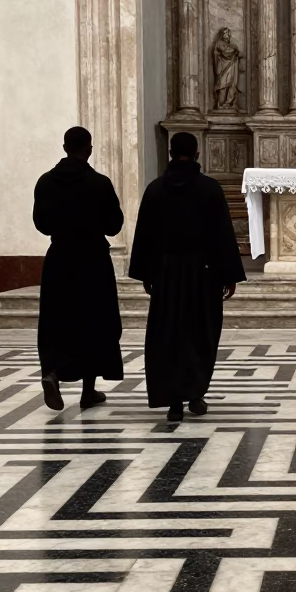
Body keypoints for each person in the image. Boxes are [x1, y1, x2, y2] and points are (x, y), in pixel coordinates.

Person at [128, 132, 246, 424]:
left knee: (168, 334)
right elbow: (222, 235)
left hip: (167, 273)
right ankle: (195, 393)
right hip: (203, 273)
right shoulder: (210, 189)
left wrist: (147, 272)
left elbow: (145, 235)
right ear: (197, 154)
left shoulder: (155, 190)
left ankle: (174, 401)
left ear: (170, 153)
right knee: (201, 333)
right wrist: (228, 274)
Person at [33, 126, 124, 411]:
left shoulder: (46, 182)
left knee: (57, 320)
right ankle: (88, 390)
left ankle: (53, 374)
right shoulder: (99, 183)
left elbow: (41, 223)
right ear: (89, 148)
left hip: (60, 258)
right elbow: (114, 225)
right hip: (92, 260)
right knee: (93, 322)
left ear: (64, 148)